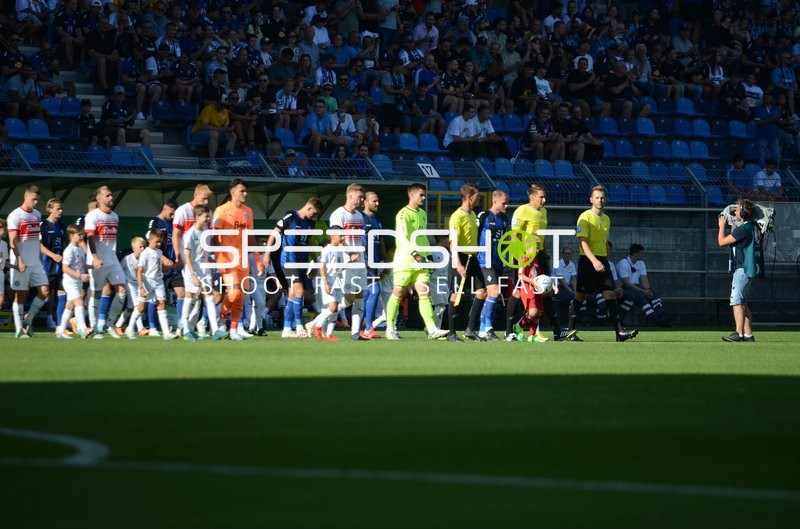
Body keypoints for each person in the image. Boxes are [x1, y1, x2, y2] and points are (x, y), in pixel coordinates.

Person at [505, 184, 576, 343]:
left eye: (544, 196)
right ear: (531, 198)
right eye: (541, 197)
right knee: (518, 292)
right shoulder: (521, 211)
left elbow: (541, 237)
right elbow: (513, 236)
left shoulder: (544, 211)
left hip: (539, 255)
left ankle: (556, 331)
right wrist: (522, 256)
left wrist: (546, 255)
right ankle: (509, 330)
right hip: (523, 256)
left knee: (546, 290)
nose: (544, 199)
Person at [567, 186, 638, 342]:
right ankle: (570, 331)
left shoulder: (606, 219)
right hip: (588, 261)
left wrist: (604, 259)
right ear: (591, 199)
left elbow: (604, 241)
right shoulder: (584, 217)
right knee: (580, 296)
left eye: (602, 198)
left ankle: (619, 332)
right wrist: (594, 261)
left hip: (602, 261)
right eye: (597, 197)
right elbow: (582, 242)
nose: (600, 200)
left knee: (610, 294)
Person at [384, 183, 449, 340]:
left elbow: (424, 237)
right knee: (398, 292)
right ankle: (389, 328)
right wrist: (416, 255)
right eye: (421, 194)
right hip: (405, 261)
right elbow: (403, 238)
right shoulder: (402, 214)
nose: (424, 197)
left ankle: (432, 329)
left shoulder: (423, 214)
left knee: (424, 293)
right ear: (411, 195)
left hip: (421, 262)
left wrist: (429, 257)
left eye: (424, 195)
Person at [212, 179, 263, 341]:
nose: (245, 194)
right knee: (233, 294)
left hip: (244, 261)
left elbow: (250, 237)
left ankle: (232, 330)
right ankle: (220, 320)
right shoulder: (221, 210)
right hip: (228, 260)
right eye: (242, 191)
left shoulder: (248, 211)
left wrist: (258, 259)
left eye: (246, 191)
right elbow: (214, 236)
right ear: (233, 192)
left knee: (240, 297)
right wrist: (219, 256)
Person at [265, 197, 323, 338]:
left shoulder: (310, 223)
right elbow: (274, 233)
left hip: (301, 263)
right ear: (309, 208)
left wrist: (315, 261)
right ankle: (299, 327)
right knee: (299, 292)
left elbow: (309, 243)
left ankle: (286, 329)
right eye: (314, 213)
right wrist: (267, 254)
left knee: (292, 294)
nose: (314, 216)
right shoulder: (290, 217)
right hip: (289, 261)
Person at [328, 184, 371, 340]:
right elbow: (335, 239)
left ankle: (355, 334)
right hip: (346, 263)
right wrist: (350, 253)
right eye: (360, 196)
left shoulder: (359, 216)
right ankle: (321, 320)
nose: (362, 199)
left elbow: (358, 240)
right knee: (348, 298)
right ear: (350, 196)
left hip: (360, 263)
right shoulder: (338, 214)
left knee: (360, 297)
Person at [7, 186, 50, 338]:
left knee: (44, 291)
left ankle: (28, 321)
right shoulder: (15, 215)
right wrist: (19, 260)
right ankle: (19, 330)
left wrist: (39, 258)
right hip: (21, 261)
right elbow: (12, 242)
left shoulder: (37, 215)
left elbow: (36, 239)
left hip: (35, 262)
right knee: (21, 294)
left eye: (38, 199)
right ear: (26, 197)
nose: (36, 202)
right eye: (34, 199)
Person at [84, 186, 128, 337]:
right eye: (108, 196)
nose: (111, 198)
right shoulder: (92, 216)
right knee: (96, 293)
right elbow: (90, 237)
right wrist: (95, 257)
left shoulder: (115, 216)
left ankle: (109, 325)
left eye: (111, 195)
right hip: (97, 261)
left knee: (122, 290)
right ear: (99, 199)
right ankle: (95, 328)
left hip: (112, 260)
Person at [446, 183, 486, 341]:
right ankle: (452, 333)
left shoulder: (472, 214)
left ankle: (470, 329)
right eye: (477, 196)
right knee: (456, 295)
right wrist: (458, 263)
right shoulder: (457, 217)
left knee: (482, 292)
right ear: (469, 197)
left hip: (472, 257)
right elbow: (453, 243)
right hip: (461, 257)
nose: (479, 199)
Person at [718, 198, 759, 342]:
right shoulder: (751, 226)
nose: (734, 212)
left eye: (737, 209)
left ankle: (738, 333)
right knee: (742, 302)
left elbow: (722, 242)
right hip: (748, 268)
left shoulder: (743, 229)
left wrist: (721, 226)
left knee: (736, 301)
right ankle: (748, 334)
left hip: (742, 268)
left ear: (742, 211)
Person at [124, 231, 176, 340]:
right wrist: (141, 287)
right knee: (141, 307)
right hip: (147, 282)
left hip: (158, 282)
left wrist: (173, 266)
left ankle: (166, 333)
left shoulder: (159, 252)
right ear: (149, 240)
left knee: (161, 303)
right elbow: (139, 271)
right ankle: (129, 328)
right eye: (157, 242)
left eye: (160, 242)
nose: (159, 244)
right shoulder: (145, 254)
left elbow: (159, 268)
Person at [180, 204, 221, 341]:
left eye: (209, 216)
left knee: (209, 297)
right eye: (206, 216)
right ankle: (186, 329)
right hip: (192, 269)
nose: (208, 218)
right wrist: (192, 275)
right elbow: (186, 256)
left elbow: (204, 252)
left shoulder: (206, 232)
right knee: (189, 296)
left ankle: (215, 330)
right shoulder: (190, 234)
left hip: (205, 268)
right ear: (197, 216)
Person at [475, 189, 510, 341]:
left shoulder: (504, 219)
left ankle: (482, 329)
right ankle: (488, 328)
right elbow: (475, 236)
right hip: (484, 261)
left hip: (497, 261)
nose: (506, 206)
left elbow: (503, 241)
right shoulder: (483, 216)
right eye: (504, 203)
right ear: (495, 201)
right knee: (494, 292)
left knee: (488, 294)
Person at [147, 200, 182, 335]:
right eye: (171, 213)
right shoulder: (155, 222)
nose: (173, 217)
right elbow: (149, 242)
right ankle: (152, 327)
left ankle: (180, 326)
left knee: (181, 293)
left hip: (174, 266)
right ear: (165, 209)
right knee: (155, 298)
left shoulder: (174, 224)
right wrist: (162, 258)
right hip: (159, 266)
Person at [616, 243, 672, 327]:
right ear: (635, 253)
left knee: (654, 294)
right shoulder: (623, 263)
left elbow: (644, 278)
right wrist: (643, 291)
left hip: (636, 287)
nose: (643, 255)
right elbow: (626, 283)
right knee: (640, 297)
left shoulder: (641, 263)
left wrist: (648, 290)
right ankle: (655, 319)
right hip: (625, 288)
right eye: (641, 253)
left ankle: (661, 315)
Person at [307, 227, 346, 341]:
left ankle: (329, 334)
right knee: (331, 308)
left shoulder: (340, 250)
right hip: (329, 282)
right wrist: (325, 282)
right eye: (340, 236)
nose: (343, 238)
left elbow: (340, 266)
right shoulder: (327, 250)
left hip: (338, 282)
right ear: (333, 236)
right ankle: (317, 326)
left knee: (335, 309)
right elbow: (322, 267)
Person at [56, 225, 94, 339]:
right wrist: (80, 275)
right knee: (79, 302)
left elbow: (81, 265)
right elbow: (65, 268)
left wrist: (93, 266)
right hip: (70, 281)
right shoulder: (69, 250)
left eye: (83, 234)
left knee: (70, 305)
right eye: (79, 234)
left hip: (77, 281)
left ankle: (61, 331)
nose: (82, 236)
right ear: (71, 236)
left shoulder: (80, 249)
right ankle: (83, 328)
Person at [39, 198, 67, 331]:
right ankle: (49, 318)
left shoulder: (62, 226)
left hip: (60, 264)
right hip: (47, 264)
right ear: (50, 209)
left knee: (62, 290)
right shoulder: (43, 225)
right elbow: (39, 245)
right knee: (47, 293)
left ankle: (61, 321)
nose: (61, 211)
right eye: (58, 208)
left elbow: (64, 244)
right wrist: (52, 255)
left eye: (61, 208)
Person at [361, 191, 385, 339]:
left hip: (375, 262)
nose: (377, 204)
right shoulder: (360, 218)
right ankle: (369, 327)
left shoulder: (377, 219)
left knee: (367, 294)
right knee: (375, 291)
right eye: (374, 201)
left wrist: (385, 258)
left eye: (378, 201)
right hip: (364, 261)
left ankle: (361, 325)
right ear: (365, 201)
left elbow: (381, 240)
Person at [191, 97, 237, 169]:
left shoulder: (225, 111)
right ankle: (212, 161)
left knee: (232, 135)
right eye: (221, 104)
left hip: (216, 133)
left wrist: (229, 129)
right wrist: (219, 129)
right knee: (214, 133)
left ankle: (226, 161)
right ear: (216, 102)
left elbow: (225, 126)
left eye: (224, 105)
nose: (222, 107)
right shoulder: (208, 109)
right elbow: (204, 126)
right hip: (198, 133)